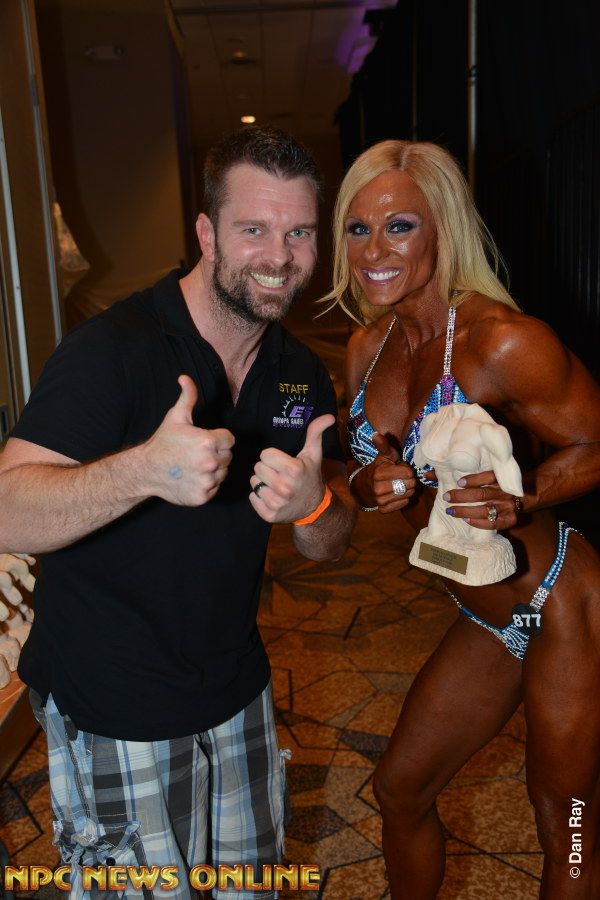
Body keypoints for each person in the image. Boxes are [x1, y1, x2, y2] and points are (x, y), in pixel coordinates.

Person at [0, 125, 355, 899]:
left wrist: (316, 505)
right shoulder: (114, 350)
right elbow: (6, 511)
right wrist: (141, 472)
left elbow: (330, 542)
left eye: (298, 232)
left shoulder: (299, 375)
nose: (278, 255)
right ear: (206, 232)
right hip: (112, 701)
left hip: (236, 689)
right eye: (253, 229)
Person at [322, 138, 600, 898]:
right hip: (486, 617)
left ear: (443, 228)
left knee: (567, 820)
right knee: (400, 790)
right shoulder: (366, 347)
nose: (373, 251)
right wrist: (366, 485)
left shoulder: (502, 340)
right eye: (357, 229)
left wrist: (525, 495)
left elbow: (594, 442)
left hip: (563, 605)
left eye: (399, 227)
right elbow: (358, 475)